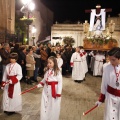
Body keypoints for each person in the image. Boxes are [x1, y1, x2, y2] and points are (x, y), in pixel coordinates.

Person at [95, 47, 120, 120]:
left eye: (113, 60)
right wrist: (101, 99)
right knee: (109, 116)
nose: (111, 62)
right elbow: (104, 83)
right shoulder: (106, 67)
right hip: (110, 97)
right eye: (110, 59)